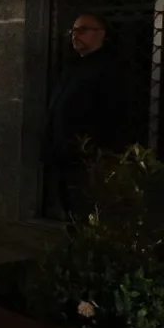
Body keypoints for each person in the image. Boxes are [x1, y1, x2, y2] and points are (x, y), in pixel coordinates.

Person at [43, 12, 128, 224]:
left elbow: (112, 115)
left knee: (86, 213)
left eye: (83, 29)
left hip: (86, 157)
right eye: (73, 30)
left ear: (102, 34)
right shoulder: (72, 66)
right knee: (69, 209)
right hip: (63, 153)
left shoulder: (109, 69)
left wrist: (97, 153)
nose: (75, 34)